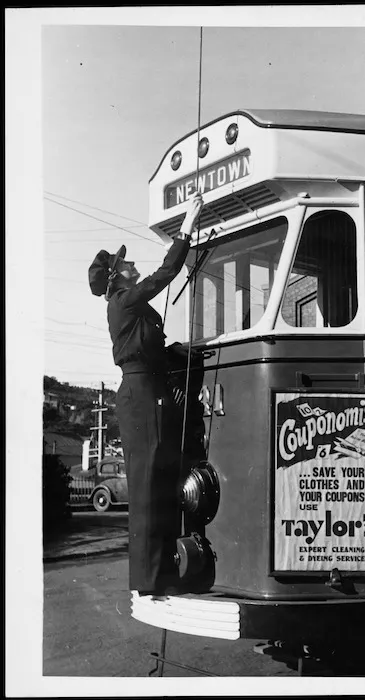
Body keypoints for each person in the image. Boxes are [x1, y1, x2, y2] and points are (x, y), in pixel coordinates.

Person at [88, 192, 203, 596]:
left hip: (145, 390)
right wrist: (187, 228)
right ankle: (152, 580)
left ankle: (156, 575)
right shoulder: (124, 301)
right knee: (150, 482)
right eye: (126, 262)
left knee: (156, 479)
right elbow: (163, 275)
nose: (132, 262)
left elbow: (150, 349)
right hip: (142, 395)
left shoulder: (126, 306)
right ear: (118, 276)